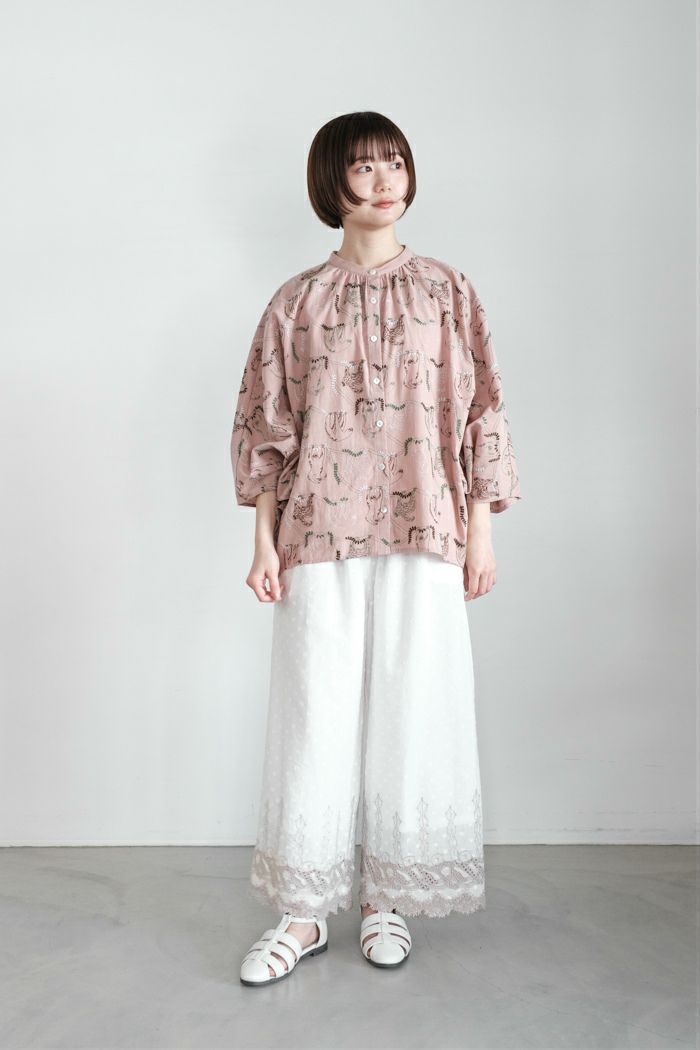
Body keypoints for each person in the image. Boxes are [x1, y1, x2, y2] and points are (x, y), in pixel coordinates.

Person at [230, 111, 522, 985]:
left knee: (414, 704)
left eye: (395, 162)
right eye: (363, 167)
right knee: (315, 711)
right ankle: (303, 911)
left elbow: (482, 412)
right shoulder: (296, 303)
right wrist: (263, 543)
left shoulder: (447, 291)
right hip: (316, 531)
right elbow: (267, 427)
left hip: (427, 527)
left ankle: (387, 895)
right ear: (332, 182)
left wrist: (481, 529)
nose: (384, 179)